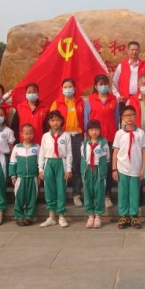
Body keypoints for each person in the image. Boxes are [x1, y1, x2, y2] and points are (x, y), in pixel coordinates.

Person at [85, 74, 119, 208]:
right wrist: (87, 138)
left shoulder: (113, 100)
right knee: (94, 168)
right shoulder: (90, 100)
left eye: (105, 84)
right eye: (100, 84)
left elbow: (117, 119)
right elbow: (86, 119)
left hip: (109, 139)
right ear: (95, 86)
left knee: (107, 169)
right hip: (94, 140)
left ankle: (107, 195)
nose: (103, 86)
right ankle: (94, 196)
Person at [51, 78, 85, 208]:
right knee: (62, 165)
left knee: (76, 165)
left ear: (74, 88)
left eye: (70, 86)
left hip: (77, 137)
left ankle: (76, 195)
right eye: (65, 87)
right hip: (62, 136)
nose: (68, 89)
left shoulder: (80, 102)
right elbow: (52, 120)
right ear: (62, 89)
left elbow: (85, 118)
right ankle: (60, 195)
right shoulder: (56, 103)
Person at [112, 105, 145, 230]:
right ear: (122, 117)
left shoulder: (140, 133)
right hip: (122, 168)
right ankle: (123, 216)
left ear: (136, 116)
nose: (129, 117)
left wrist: (143, 168)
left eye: (132, 115)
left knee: (134, 193)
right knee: (123, 192)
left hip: (136, 168)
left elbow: (144, 151)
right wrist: (114, 168)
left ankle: (133, 215)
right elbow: (115, 152)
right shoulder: (119, 133)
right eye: (127, 115)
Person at [38, 110, 72, 229]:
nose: (55, 123)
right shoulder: (45, 136)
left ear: (61, 121)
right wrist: (40, 169)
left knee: (61, 189)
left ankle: (61, 216)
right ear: (49, 122)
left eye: (57, 120)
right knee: (49, 189)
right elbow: (42, 152)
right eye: (52, 120)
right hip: (49, 162)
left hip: (61, 163)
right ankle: (51, 216)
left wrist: (68, 169)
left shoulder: (66, 135)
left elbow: (69, 153)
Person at [80, 119, 110, 229]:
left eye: (96, 129)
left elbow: (107, 159)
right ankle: (90, 215)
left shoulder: (104, 144)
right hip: (87, 169)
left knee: (99, 192)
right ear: (88, 131)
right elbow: (83, 158)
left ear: (100, 130)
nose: (94, 132)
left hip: (99, 170)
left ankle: (98, 216)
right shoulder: (84, 144)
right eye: (91, 130)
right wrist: (83, 172)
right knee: (88, 192)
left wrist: (103, 172)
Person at [9, 124, 40, 226]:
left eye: (30, 133)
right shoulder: (17, 147)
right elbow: (12, 162)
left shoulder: (37, 147)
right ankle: (19, 216)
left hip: (33, 177)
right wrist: (13, 175)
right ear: (21, 134)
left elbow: (40, 162)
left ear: (33, 134)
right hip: (20, 178)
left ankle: (29, 216)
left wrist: (39, 174)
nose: (28, 136)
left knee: (32, 198)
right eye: (26, 134)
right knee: (19, 197)